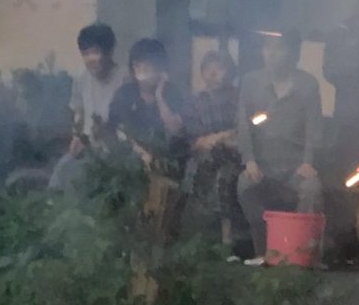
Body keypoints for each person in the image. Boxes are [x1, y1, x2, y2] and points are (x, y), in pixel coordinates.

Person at [237, 29, 325, 264]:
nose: (271, 54)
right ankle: (262, 252)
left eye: (279, 49)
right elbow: (243, 125)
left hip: (295, 167)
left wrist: (308, 162)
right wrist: (250, 160)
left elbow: (313, 128)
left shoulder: (307, 85)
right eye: (267, 48)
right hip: (262, 167)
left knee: (311, 189)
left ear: (292, 53)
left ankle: (302, 254)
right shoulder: (250, 82)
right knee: (244, 185)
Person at [48, 23, 127, 193]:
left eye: (95, 52)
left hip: (118, 152)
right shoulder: (82, 79)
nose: (90, 59)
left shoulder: (124, 78)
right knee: (62, 171)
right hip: (88, 149)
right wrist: (77, 136)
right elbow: (79, 112)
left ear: (109, 52)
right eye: (85, 54)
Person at [182, 45, 247, 252]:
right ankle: (195, 239)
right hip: (204, 157)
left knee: (226, 179)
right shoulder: (195, 101)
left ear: (230, 72)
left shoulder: (240, 99)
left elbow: (243, 131)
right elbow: (193, 137)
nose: (213, 73)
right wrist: (216, 138)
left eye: (219, 68)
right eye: (208, 68)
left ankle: (228, 239)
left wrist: (222, 138)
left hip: (234, 157)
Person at [106, 37, 188, 172]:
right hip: (129, 161)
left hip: (167, 161)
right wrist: (140, 152)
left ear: (160, 67)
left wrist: (160, 96)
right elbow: (117, 129)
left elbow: (177, 131)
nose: (142, 71)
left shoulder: (172, 93)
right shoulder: (125, 94)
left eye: (148, 66)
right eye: (137, 66)